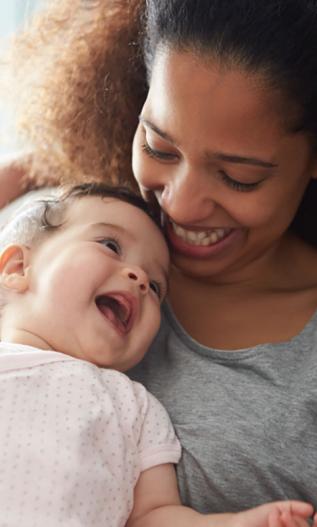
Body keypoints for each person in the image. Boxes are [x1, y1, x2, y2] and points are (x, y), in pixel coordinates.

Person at [1, 0, 317, 521]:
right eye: (159, 146)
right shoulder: (88, 214)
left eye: (239, 176)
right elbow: (34, 166)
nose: (179, 204)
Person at [3, 181, 314, 527]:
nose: (139, 279)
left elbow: (155, 517)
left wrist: (235, 524)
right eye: (110, 245)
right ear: (17, 268)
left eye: (155, 287)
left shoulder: (136, 409)